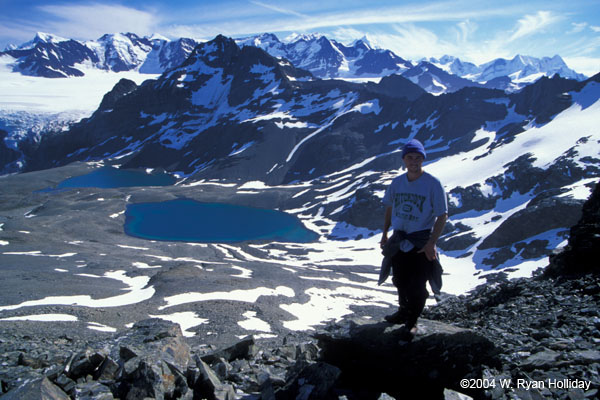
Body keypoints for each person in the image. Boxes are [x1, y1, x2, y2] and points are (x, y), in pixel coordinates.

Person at [380, 138, 448, 340]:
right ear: (404, 159)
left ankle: (412, 321)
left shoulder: (433, 184)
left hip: (420, 241)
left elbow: (442, 215)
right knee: (399, 279)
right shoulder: (397, 182)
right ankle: (403, 312)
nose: (414, 161)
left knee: (418, 284)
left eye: (418, 158)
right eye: (410, 157)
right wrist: (385, 233)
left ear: (423, 159)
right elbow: (389, 207)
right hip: (399, 240)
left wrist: (431, 243)